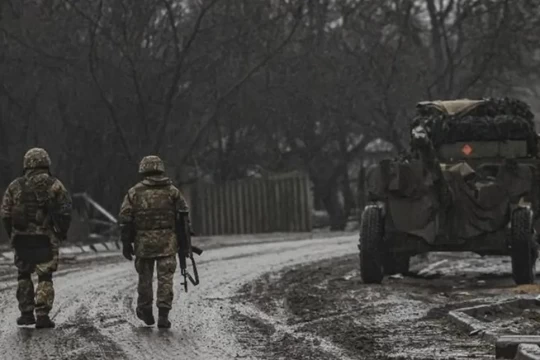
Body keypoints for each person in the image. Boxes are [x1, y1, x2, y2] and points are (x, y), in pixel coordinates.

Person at [1, 148, 72, 328]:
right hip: (46, 239)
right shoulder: (55, 184)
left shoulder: (15, 185)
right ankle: (42, 315)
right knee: (45, 276)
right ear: (46, 163)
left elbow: (5, 213)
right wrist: (61, 232)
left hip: (21, 239)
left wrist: (12, 235)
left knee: (23, 274)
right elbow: (65, 211)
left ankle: (26, 314)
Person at [119, 155, 189, 328]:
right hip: (167, 242)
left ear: (143, 170)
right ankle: (163, 314)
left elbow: (125, 219)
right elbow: (184, 217)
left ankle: (145, 309)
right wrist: (184, 242)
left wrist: (126, 244)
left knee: (145, 278)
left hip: (144, 243)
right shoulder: (172, 191)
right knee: (165, 279)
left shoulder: (134, 192)